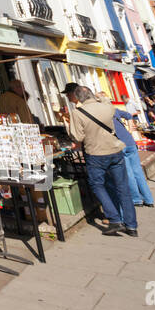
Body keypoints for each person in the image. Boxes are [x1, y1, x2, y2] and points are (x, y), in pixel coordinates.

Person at [60, 84, 138, 236]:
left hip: (95, 153)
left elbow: (78, 137)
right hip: (115, 150)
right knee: (123, 188)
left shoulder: (77, 113)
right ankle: (132, 225)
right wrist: (99, 97)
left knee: (97, 185)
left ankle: (114, 219)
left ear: (77, 98)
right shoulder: (107, 107)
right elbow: (108, 103)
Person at [114, 102, 155, 207]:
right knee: (138, 172)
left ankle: (137, 199)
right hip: (130, 142)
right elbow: (128, 115)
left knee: (129, 173)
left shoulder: (102, 114)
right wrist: (130, 128)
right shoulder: (114, 110)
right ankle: (149, 199)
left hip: (120, 145)